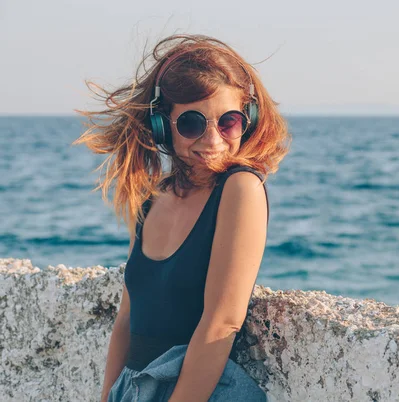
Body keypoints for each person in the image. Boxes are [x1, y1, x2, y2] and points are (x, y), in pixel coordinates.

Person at [73, 33, 290, 401]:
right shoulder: (150, 199)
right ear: (162, 124)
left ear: (247, 120)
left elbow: (222, 321)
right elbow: (127, 318)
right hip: (136, 389)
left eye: (228, 122)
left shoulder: (240, 190)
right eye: (191, 123)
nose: (213, 139)